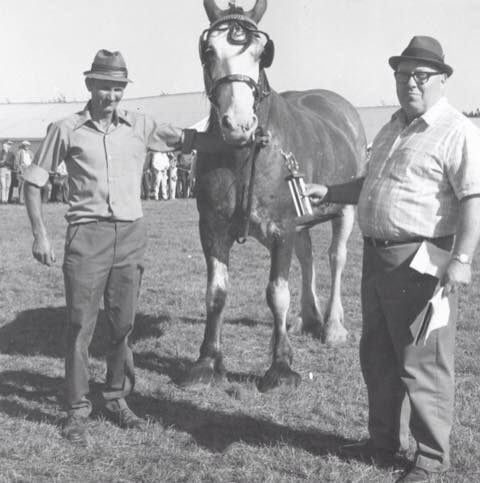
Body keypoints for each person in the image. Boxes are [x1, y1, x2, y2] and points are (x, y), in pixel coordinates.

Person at [23, 49, 232, 446]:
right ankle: (76, 409)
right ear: (90, 85)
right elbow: (33, 182)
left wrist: (241, 138)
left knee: (122, 326)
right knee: (80, 327)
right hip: (87, 237)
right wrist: (40, 234)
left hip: (131, 236)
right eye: (105, 87)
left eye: (118, 88)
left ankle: (117, 398)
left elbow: (193, 140)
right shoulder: (65, 129)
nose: (112, 96)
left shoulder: (140, 125)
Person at [305, 36, 480, 482]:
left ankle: (430, 459)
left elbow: (473, 200)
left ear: (442, 80)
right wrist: (330, 191)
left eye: (421, 75)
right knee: (378, 355)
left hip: (423, 260)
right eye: (403, 75)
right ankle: (384, 442)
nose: (410, 83)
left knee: (424, 361)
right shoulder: (392, 127)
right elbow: (369, 185)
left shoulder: (457, 130)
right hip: (377, 257)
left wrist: (462, 259)